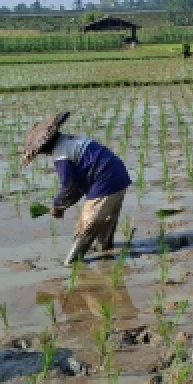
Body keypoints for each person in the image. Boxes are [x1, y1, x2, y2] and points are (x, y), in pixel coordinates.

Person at [22, 112, 132, 267]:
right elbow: (78, 187)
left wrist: (57, 206)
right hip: (118, 175)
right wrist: (63, 205)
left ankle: (71, 263)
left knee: (86, 226)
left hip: (105, 180)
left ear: (46, 145)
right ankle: (106, 255)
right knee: (105, 222)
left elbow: (69, 185)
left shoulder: (61, 153)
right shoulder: (71, 140)